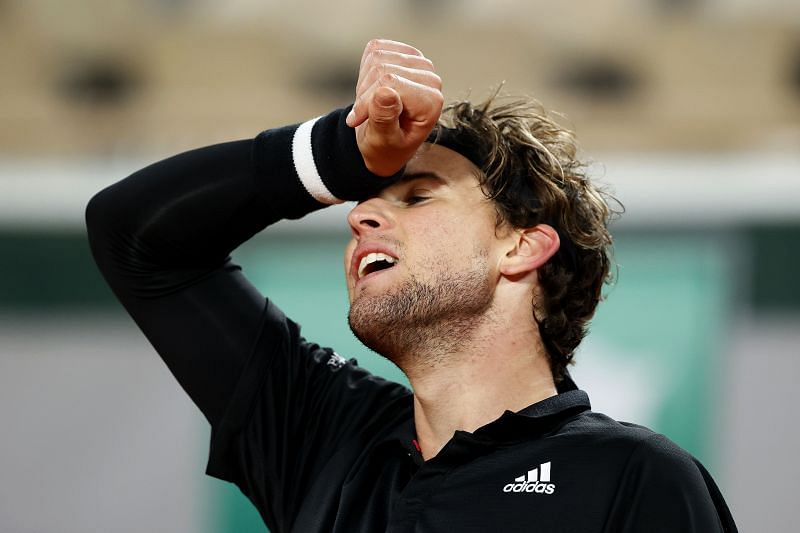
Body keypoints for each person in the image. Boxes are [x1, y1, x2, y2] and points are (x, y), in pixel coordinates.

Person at [86, 39, 737, 532]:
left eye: (417, 196)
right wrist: (339, 158)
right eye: (365, 197)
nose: (359, 212)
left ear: (520, 246)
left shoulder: (635, 476)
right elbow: (132, 232)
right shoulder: (320, 436)